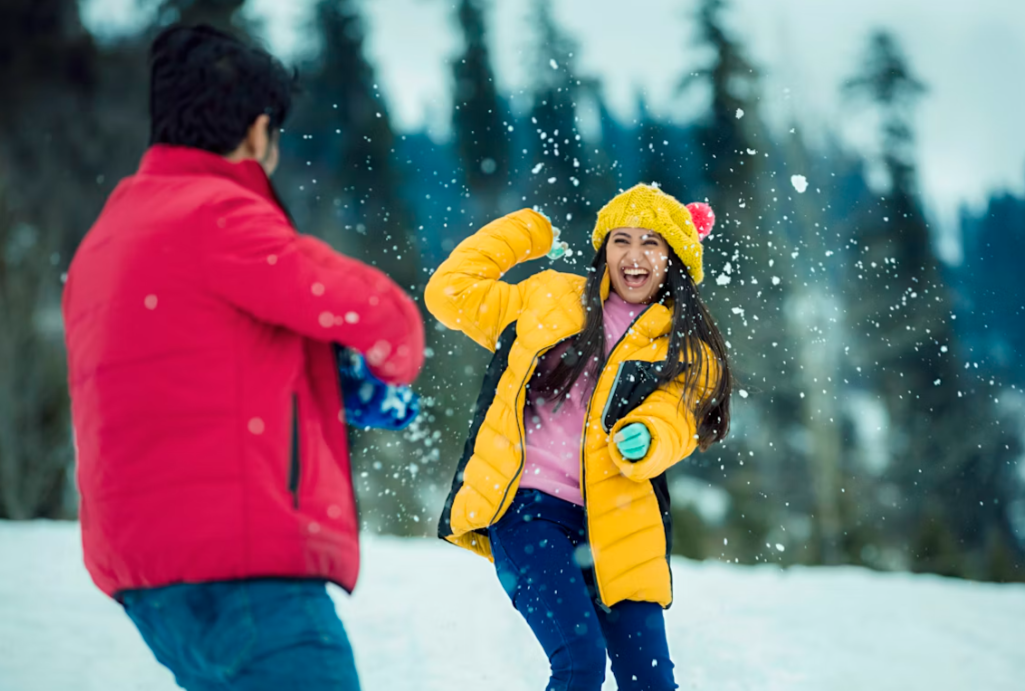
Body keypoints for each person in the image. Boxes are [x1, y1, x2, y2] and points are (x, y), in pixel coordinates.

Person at [62, 24, 425, 690]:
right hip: (244, 571)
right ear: (258, 132)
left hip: (152, 584)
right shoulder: (220, 217)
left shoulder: (105, 238)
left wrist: (316, 367)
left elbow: (196, 365)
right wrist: (372, 364)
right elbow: (387, 321)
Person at [425, 183, 732, 691]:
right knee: (579, 664)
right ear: (603, 249)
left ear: (675, 256)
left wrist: (649, 434)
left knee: (649, 683)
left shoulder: (687, 348)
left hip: (621, 524)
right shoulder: (549, 296)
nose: (634, 257)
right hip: (527, 510)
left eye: (651, 243)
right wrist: (528, 231)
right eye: (621, 240)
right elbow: (449, 292)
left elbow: (678, 418)